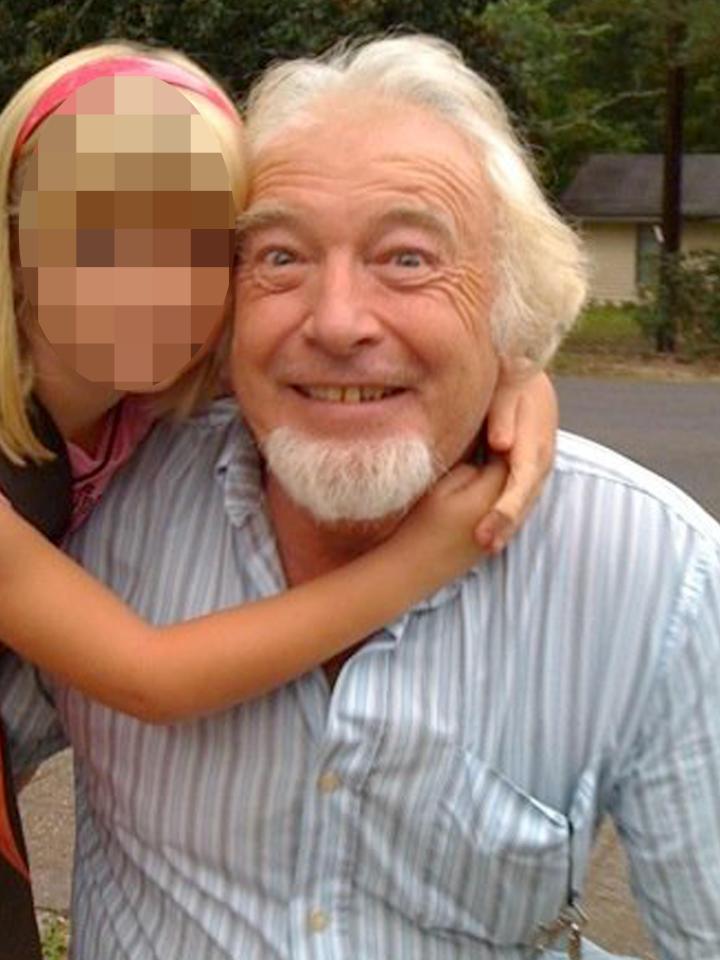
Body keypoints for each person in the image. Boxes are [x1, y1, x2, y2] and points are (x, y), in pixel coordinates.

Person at [6, 33, 718, 959]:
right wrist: (427, 549)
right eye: (281, 257)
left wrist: (515, 373)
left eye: (408, 259)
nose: (337, 322)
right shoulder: (120, 505)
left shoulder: (661, 576)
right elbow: (142, 679)